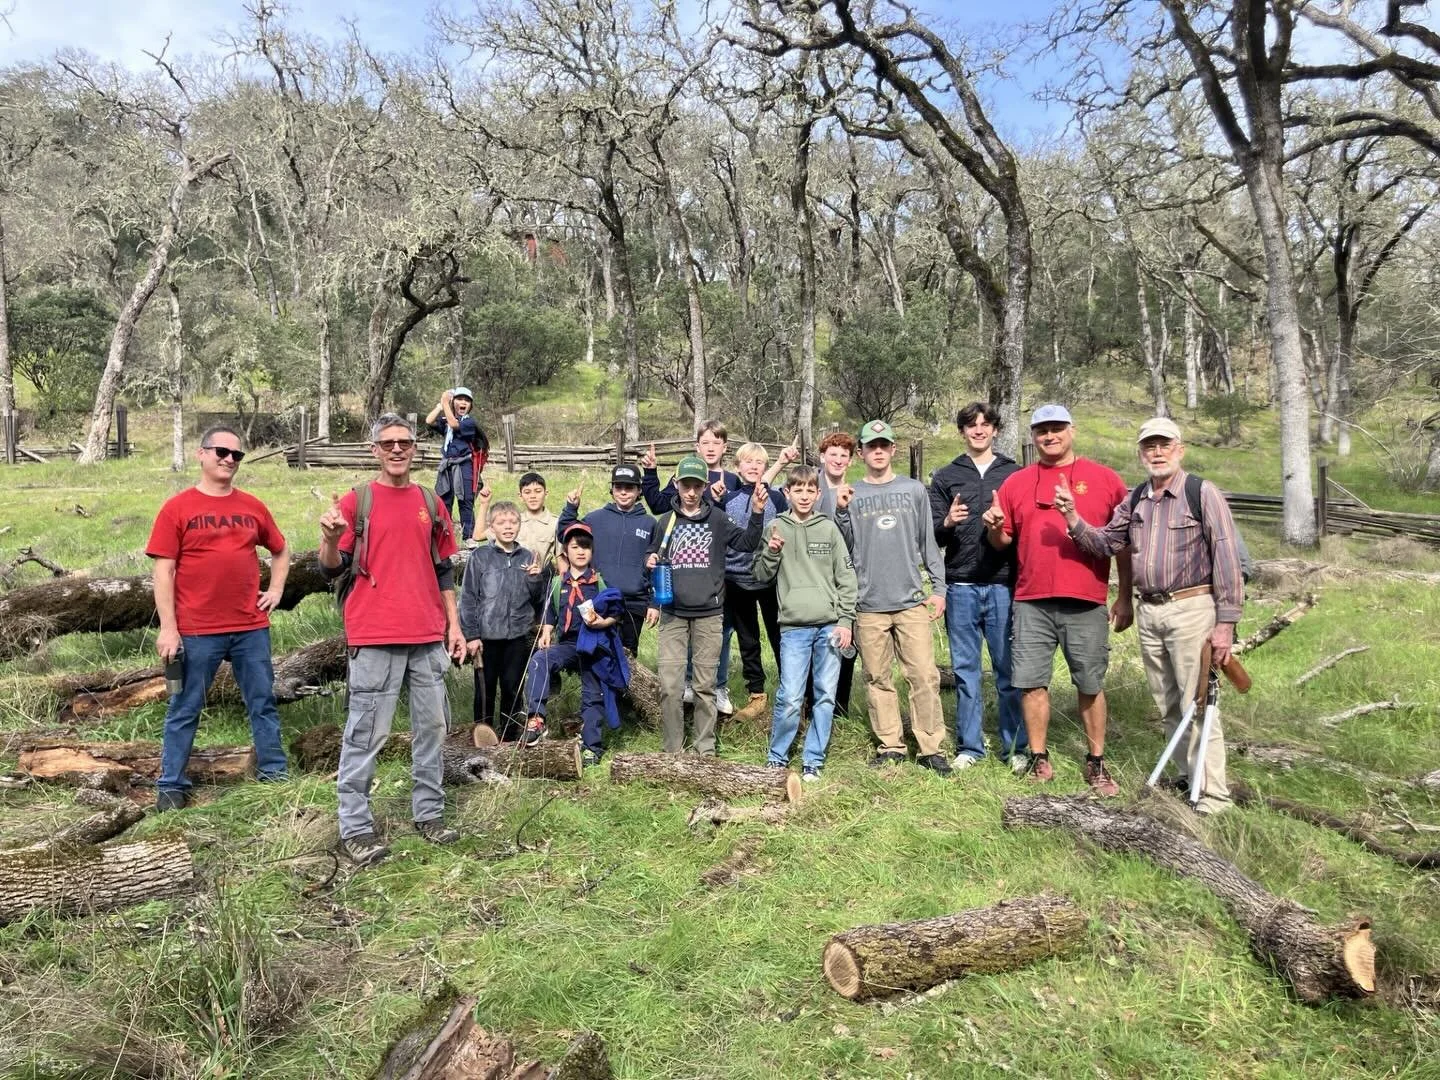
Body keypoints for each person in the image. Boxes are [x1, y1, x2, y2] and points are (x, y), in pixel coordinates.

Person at [1060, 416, 1243, 814]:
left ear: (1180, 449)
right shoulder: (1137, 498)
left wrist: (1225, 624)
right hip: (1150, 610)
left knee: (1199, 702)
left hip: (1192, 608)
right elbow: (1108, 542)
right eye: (1149, 446)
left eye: (1164, 445)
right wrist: (1073, 519)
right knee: (1168, 701)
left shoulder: (1201, 493)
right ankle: (1185, 776)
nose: (1157, 453)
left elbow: (1227, 557)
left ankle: (1213, 796)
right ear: (1141, 452)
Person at [319, 413, 467, 866]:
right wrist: (327, 540)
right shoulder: (355, 502)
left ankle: (429, 814)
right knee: (366, 734)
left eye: (405, 441)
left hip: (427, 635)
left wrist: (454, 625)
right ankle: (355, 828)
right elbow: (330, 568)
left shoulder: (430, 501)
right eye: (388, 443)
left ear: (415, 448)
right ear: (374, 450)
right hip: (375, 634)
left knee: (432, 729)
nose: (397, 449)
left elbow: (444, 569)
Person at [982, 404, 1133, 797]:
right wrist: (995, 529)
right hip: (1031, 599)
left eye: (1057, 428)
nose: (1050, 436)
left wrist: (1125, 596)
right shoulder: (1018, 482)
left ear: (1072, 431)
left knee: (1090, 682)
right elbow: (1004, 542)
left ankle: (1096, 761)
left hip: (1087, 599)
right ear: (1033, 436)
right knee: (1031, 683)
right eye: (1042, 430)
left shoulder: (1105, 480)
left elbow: (1122, 544)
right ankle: (1038, 757)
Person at [146, 425, 290, 811]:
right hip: (196, 631)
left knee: (262, 702)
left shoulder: (252, 507)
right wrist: (169, 628)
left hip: (249, 627)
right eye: (221, 452)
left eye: (236, 455)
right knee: (184, 706)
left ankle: (274, 775)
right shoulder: (178, 508)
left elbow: (280, 549)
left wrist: (275, 590)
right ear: (202, 454)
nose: (229, 460)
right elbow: (163, 572)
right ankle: (171, 785)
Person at [836, 420, 949, 774]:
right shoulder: (851, 494)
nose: (879, 450)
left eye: (884, 444)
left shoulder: (914, 490)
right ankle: (891, 745)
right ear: (862, 452)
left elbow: (927, 542)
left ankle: (931, 747)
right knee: (877, 678)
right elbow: (845, 549)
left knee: (923, 676)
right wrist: (840, 513)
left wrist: (939, 589)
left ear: (893, 450)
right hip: (868, 605)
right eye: (872, 445)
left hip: (911, 600)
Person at [646, 454, 767, 756]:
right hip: (673, 614)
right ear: (676, 484)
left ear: (704, 486)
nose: (690, 492)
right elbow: (652, 557)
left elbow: (748, 543)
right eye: (685, 485)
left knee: (704, 687)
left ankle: (705, 750)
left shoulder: (718, 519)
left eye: (696, 486)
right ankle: (672, 751)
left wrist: (756, 513)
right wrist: (648, 561)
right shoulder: (665, 522)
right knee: (671, 688)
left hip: (710, 615)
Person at [929, 402, 1026, 772]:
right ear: (963, 432)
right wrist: (948, 521)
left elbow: (1026, 529)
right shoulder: (946, 475)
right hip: (961, 585)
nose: (979, 430)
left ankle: (1014, 747)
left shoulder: (1014, 474)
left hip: (1003, 585)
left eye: (985, 424)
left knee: (1007, 670)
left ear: (996, 430)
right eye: (972, 425)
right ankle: (970, 747)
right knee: (966, 670)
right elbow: (932, 531)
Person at [752, 465, 857, 781]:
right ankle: (777, 756)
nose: (804, 495)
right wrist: (771, 553)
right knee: (791, 695)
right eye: (797, 490)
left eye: (810, 490)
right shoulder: (774, 527)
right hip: (794, 627)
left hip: (829, 625)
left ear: (818, 493)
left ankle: (813, 759)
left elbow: (846, 577)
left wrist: (846, 621)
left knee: (825, 693)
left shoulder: (828, 529)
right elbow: (760, 575)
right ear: (787, 493)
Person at [521, 523, 617, 765]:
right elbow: (551, 613)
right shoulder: (557, 583)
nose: (581, 551)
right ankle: (536, 719)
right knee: (538, 661)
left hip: (594, 643)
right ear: (566, 552)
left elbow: (615, 612)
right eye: (575, 547)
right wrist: (546, 631)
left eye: (586, 547)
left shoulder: (599, 582)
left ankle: (592, 747)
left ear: (592, 552)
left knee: (593, 693)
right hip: (568, 644)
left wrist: (602, 623)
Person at [716, 441, 796, 722]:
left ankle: (792, 692)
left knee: (780, 637)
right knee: (748, 640)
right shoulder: (728, 499)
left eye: (758, 463)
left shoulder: (777, 499)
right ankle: (756, 695)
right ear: (737, 468)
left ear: (765, 468)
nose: (753, 467)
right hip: (737, 581)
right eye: (747, 463)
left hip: (772, 580)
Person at [460, 500, 544, 742]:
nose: (508, 527)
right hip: (486, 637)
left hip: (516, 636)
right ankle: (482, 740)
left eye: (513, 522)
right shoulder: (480, 557)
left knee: (512, 689)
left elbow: (537, 600)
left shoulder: (528, 557)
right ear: (491, 527)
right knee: (484, 692)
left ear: (519, 525)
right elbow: (468, 598)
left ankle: (508, 740)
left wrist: (535, 580)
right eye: (501, 523)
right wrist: (472, 635)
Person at [556, 463, 659, 655]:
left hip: (634, 603)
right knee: (598, 654)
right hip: (599, 598)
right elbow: (565, 535)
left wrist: (654, 604)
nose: (623, 492)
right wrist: (571, 509)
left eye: (629, 487)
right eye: (618, 487)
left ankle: (623, 686)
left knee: (627, 656)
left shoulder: (650, 523)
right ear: (611, 490)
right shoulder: (594, 519)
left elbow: (656, 566)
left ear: (639, 491)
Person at [812, 430, 859, 719]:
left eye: (844, 455)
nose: (838, 460)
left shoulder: (856, 492)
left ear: (851, 461)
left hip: (844, 575)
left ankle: (839, 709)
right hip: (812, 576)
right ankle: (809, 703)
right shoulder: (810, 488)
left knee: (845, 641)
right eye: (833, 454)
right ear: (822, 457)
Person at [426, 387, 488, 547]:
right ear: (454, 403)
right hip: (447, 466)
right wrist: (441, 405)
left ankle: (469, 536)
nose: (463, 403)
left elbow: (454, 424)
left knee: (465, 499)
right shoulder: (447, 420)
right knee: (444, 499)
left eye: (467, 401)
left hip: (464, 465)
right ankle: (444, 535)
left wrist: (446, 403)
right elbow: (429, 421)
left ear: (470, 405)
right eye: (459, 399)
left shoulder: (469, 422)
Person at [639, 419, 741, 514]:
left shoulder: (733, 480)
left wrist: (721, 499)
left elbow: (737, 516)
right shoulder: (686, 474)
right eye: (705, 443)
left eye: (716, 443)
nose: (710, 448)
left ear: (724, 448)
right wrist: (650, 473)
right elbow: (659, 506)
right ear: (698, 447)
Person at [516, 472, 559, 561]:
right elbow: (479, 535)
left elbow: (561, 557)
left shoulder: (555, 523)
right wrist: (484, 503)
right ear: (520, 496)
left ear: (546, 494)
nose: (533, 496)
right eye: (527, 492)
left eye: (538, 491)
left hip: (544, 573)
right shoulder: (514, 521)